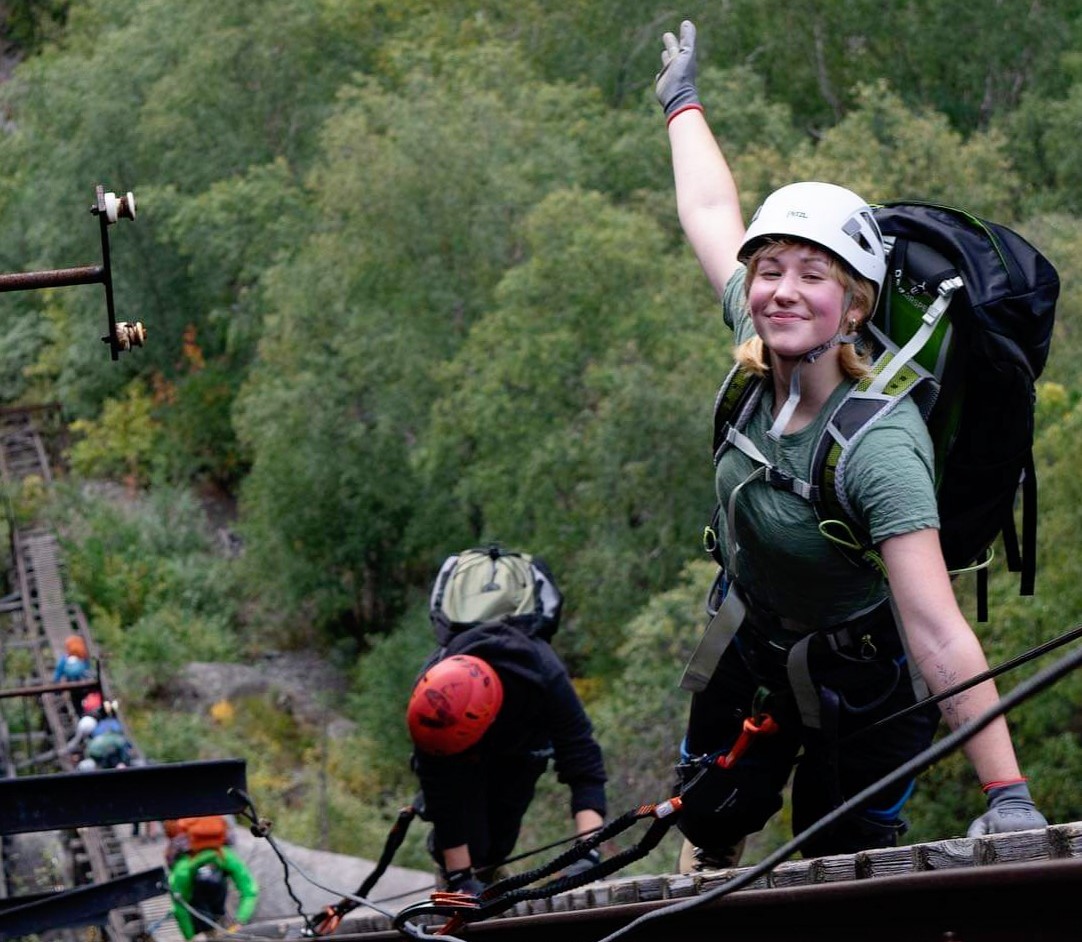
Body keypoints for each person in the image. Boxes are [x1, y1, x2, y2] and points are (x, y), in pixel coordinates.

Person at [654, 20, 1047, 870]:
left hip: (866, 675)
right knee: (709, 819)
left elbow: (936, 630)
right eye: (770, 271)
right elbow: (710, 213)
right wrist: (682, 103)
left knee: (842, 859)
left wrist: (1007, 795)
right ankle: (711, 864)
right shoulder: (758, 341)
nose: (782, 292)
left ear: (857, 306)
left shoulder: (880, 447)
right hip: (750, 640)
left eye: (813, 276)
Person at [407, 556, 608, 895]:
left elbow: (583, 761)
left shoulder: (544, 674)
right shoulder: (433, 700)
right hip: (465, 758)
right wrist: (459, 879)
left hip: (521, 745)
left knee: (498, 843)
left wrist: (587, 855)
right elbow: (441, 791)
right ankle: (463, 871)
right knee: (473, 847)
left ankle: (487, 869)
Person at [167, 816, 258, 939]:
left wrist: (189, 937)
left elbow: (179, 906)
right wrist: (241, 919)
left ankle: (212, 929)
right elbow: (249, 891)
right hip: (210, 898)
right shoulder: (225, 857)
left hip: (199, 899)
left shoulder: (184, 869)